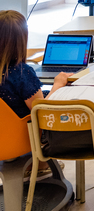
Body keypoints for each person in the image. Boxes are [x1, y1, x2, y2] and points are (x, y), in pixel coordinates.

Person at [0, 10, 71, 177]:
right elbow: (42, 110)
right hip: (18, 137)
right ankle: (40, 163)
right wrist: (58, 84)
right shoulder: (22, 73)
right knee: (57, 109)